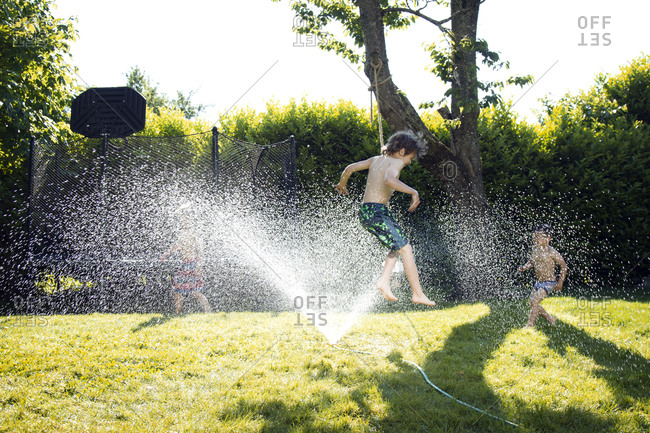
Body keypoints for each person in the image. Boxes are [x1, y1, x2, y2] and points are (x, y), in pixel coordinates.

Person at [334, 130, 436, 306]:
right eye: (410, 157)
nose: (410, 161)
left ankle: (384, 281)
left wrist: (342, 184)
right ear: (402, 151)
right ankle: (418, 293)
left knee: (398, 246)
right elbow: (389, 180)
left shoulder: (374, 160)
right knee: (407, 249)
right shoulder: (396, 162)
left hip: (367, 211)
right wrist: (413, 192)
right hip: (376, 212)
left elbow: (349, 168)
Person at [160, 204, 212, 314]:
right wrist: (166, 254)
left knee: (196, 292)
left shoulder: (193, 232)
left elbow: (201, 249)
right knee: (177, 291)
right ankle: (178, 314)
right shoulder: (183, 232)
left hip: (193, 264)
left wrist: (199, 264)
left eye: (185, 219)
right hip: (185, 264)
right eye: (182, 219)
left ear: (190, 220)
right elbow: (178, 245)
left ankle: (208, 312)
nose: (183, 221)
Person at [517, 224, 567, 327]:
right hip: (538, 282)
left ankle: (529, 325)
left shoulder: (552, 252)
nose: (536, 239)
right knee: (532, 303)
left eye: (539, 236)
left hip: (549, 283)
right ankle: (550, 318)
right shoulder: (535, 250)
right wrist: (524, 267)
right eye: (535, 236)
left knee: (534, 301)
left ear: (548, 238)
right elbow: (531, 262)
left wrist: (560, 282)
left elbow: (564, 266)